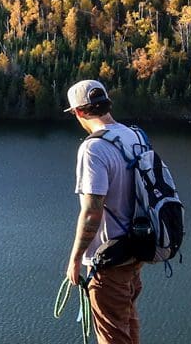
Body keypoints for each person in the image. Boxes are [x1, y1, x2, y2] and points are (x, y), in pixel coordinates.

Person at [64, 79, 144, 344]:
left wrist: (75, 259)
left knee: (112, 336)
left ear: (78, 112)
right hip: (135, 250)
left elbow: (91, 213)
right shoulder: (133, 135)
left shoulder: (93, 148)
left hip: (109, 259)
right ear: (107, 104)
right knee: (126, 323)